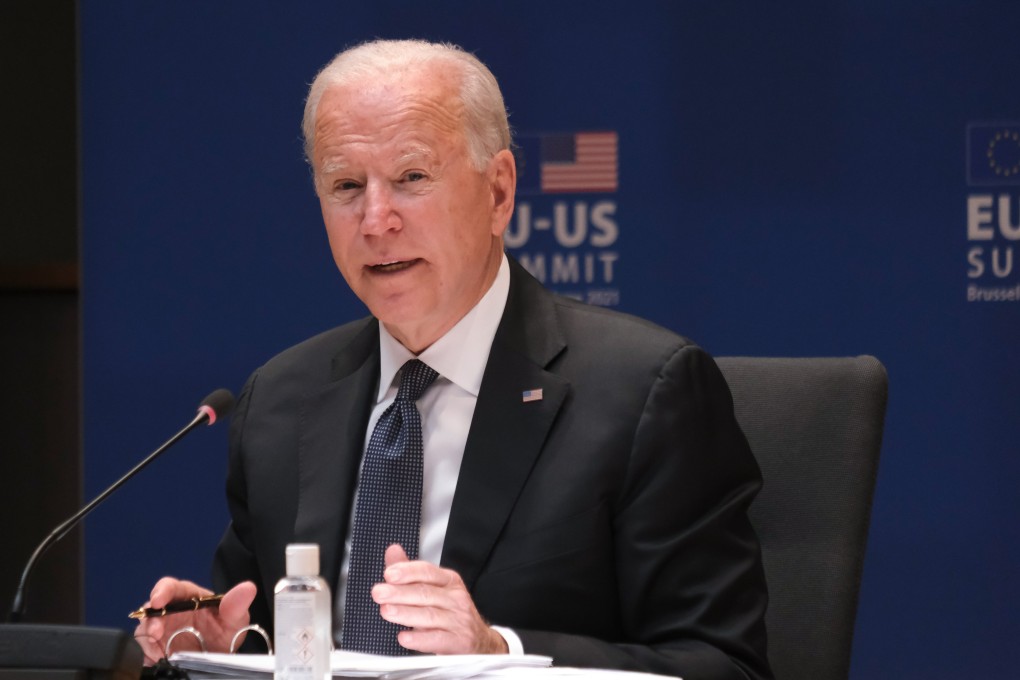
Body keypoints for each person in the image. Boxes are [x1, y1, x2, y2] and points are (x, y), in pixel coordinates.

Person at [135, 39, 772, 680]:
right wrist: (223, 645)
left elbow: (723, 665)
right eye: (347, 186)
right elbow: (277, 641)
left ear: (498, 193)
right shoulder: (279, 400)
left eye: (412, 178)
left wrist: (500, 654)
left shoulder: (643, 394)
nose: (376, 220)